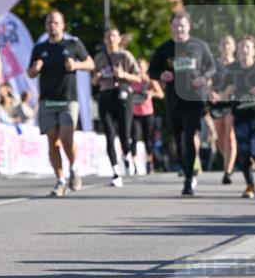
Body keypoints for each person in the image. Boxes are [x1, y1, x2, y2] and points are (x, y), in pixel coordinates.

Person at [27, 11, 94, 195]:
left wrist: (76, 66)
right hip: (47, 101)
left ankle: (73, 168)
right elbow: (30, 73)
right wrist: (35, 68)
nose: (52, 25)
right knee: (52, 141)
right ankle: (60, 180)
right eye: (49, 22)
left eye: (56, 22)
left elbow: (90, 63)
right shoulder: (39, 48)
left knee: (66, 137)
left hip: (68, 100)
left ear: (63, 25)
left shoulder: (73, 44)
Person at [149, 11, 216, 196]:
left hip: (194, 97)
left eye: (183, 25)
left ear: (189, 26)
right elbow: (152, 70)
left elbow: (212, 67)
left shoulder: (199, 46)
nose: (179, 29)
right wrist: (161, 75)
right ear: (172, 27)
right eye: (176, 26)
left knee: (189, 137)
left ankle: (188, 180)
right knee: (178, 140)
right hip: (174, 99)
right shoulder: (165, 49)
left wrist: (203, 78)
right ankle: (187, 170)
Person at [222, 35, 255, 198]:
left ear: (254, 51)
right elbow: (223, 93)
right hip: (240, 115)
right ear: (237, 51)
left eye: (247, 47)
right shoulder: (231, 70)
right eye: (241, 47)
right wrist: (227, 91)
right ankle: (250, 185)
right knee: (244, 151)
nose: (244, 50)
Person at [93, 28, 141, 187]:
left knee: (123, 133)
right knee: (108, 133)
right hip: (106, 94)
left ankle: (127, 155)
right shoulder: (99, 58)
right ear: (104, 39)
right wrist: (97, 78)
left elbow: (139, 77)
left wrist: (123, 75)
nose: (110, 39)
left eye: (113, 36)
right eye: (108, 36)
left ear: (119, 39)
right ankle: (115, 171)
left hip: (123, 95)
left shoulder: (125, 56)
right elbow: (93, 81)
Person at [208, 34, 237, 183]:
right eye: (223, 43)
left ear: (234, 47)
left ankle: (228, 170)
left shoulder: (237, 65)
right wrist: (209, 92)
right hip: (217, 103)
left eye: (229, 43)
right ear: (219, 47)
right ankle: (227, 160)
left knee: (230, 135)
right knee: (221, 138)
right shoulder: (214, 64)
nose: (226, 46)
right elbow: (206, 80)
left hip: (232, 104)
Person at [130, 58, 164, 174]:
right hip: (135, 113)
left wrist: (151, 93)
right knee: (134, 137)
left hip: (147, 113)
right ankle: (133, 164)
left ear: (146, 67)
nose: (139, 68)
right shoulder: (132, 80)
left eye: (141, 65)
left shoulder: (150, 81)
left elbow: (161, 94)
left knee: (148, 139)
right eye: (137, 65)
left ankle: (150, 162)